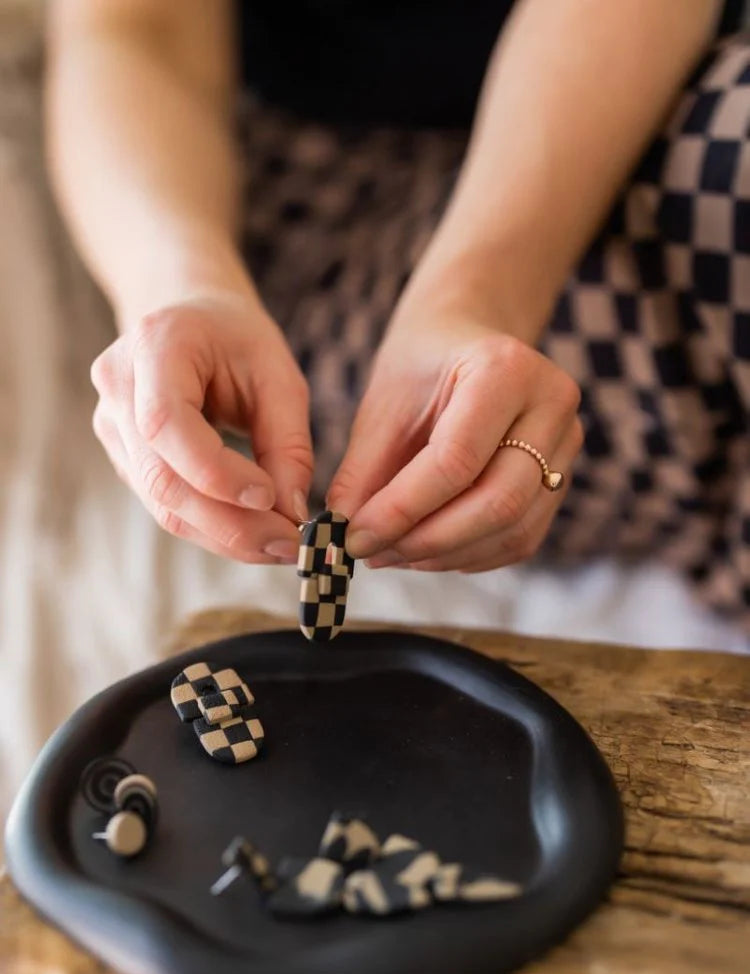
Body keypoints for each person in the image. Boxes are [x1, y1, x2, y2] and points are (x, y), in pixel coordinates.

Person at [46, 0, 749, 625]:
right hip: (317, 211)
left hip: (615, 97)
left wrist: (479, 297)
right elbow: (132, 33)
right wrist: (184, 289)